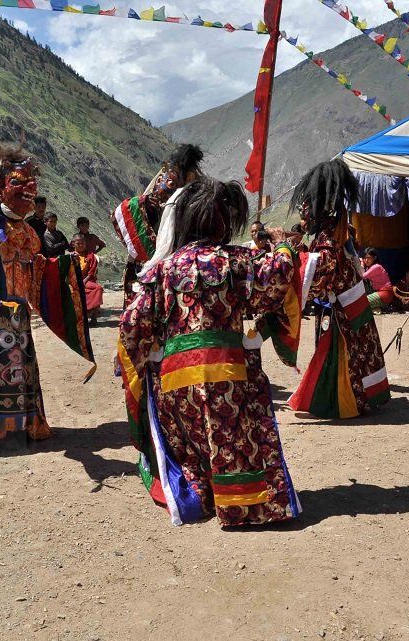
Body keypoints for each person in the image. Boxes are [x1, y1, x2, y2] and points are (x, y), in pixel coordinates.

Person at [118, 177, 301, 527]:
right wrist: (282, 248)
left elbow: (131, 324)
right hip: (227, 375)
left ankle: (198, 494)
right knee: (233, 438)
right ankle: (241, 505)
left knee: (189, 441)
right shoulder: (235, 261)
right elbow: (274, 283)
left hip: (175, 380)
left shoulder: (163, 269)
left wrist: (145, 359)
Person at [0, 143, 95, 441]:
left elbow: (35, 269)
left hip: (17, 313)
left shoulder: (26, 231)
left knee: (18, 365)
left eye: (31, 183)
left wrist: (64, 268)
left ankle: (25, 422)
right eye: (17, 182)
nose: (28, 189)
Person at [288, 159, 390, 418]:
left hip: (344, 307)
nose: (303, 214)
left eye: (307, 208)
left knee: (349, 352)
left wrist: (289, 253)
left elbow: (323, 267)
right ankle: (359, 398)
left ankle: (349, 402)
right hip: (346, 304)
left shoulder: (330, 234)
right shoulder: (336, 229)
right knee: (355, 351)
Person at [111, 144, 204, 304]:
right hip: (169, 242)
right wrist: (147, 204)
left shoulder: (188, 183)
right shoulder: (175, 179)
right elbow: (150, 201)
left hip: (180, 243)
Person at [72, 234, 103, 324]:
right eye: (78, 243)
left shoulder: (90, 255)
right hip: (73, 280)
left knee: (98, 289)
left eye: (83, 243)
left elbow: (92, 271)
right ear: (73, 244)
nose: (81, 245)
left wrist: (84, 280)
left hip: (87, 280)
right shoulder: (71, 256)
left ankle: (93, 316)